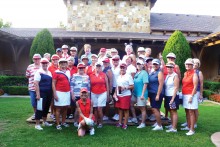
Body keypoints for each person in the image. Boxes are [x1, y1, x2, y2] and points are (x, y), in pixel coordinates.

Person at [34, 58, 53, 130]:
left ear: (48, 64)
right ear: (41, 64)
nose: (45, 64)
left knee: (46, 107)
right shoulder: (38, 72)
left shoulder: (49, 72)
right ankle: (37, 124)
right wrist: (38, 94)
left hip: (49, 93)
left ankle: (44, 122)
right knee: (39, 108)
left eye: (46, 63)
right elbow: (36, 83)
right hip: (41, 93)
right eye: (43, 63)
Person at [52, 58, 71, 130]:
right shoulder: (56, 72)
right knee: (58, 108)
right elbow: (53, 84)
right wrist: (55, 94)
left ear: (66, 64)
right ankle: (58, 124)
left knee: (65, 108)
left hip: (67, 92)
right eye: (61, 63)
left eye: (65, 63)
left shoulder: (68, 72)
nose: (63, 65)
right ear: (59, 65)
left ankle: (63, 122)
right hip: (59, 92)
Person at [181, 58, 198, 136]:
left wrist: (191, 96)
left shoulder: (194, 74)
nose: (187, 65)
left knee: (191, 112)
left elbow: (195, 86)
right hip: (185, 94)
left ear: (192, 65)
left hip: (191, 95)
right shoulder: (185, 73)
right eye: (186, 64)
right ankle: (188, 126)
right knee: (187, 111)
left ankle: (192, 129)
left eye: (189, 64)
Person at [114, 62, 134, 130]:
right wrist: (115, 93)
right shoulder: (119, 76)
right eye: (121, 67)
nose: (122, 69)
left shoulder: (128, 76)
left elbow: (132, 86)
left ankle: (125, 124)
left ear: (126, 68)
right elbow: (117, 86)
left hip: (126, 95)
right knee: (120, 109)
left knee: (125, 109)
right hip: (119, 95)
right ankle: (119, 122)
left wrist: (125, 88)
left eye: (123, 67)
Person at [162, 52, 181, 121]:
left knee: (173, 109)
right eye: (168, 57)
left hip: (172, 91)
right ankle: (168, 118)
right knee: (168, 106)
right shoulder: (165, 67)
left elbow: (178, 77)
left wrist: (173, 96)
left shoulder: (176, 68)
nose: (170, 59)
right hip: (167, 89)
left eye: (172, 58)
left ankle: (174, 125)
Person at [70, 62, 91, 127]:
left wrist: (88, 96)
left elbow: (89, 87)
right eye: (80, 68)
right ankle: (75, 121)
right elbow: (71, 86)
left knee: (83, 109)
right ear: (77, 69)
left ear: (84, 69)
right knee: (77, 109)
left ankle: (82, 121)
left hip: (85, 95)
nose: (81, 69)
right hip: (76, 95)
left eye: (82, 68)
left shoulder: (87, 76)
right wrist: (72, 95)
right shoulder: (74, 75)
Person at [89, 62, 109, 128]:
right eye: (97, 67)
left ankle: (101, 122)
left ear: (101, 67)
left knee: (99, 108)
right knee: (95, 108)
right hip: (93, 93)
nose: (98, 68)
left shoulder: (104, 74)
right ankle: (96, 121)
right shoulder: (91, 75)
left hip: (102, 93)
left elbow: (107, 85)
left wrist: (108, 94)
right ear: (95, 67)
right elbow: (90, 85)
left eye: (99, 67)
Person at [148, 59, 164, 131]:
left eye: (156, 64)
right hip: (152, 93)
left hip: (156, 93)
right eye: (154, 64)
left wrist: (158, 94)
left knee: (155, 109)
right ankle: (158, 122)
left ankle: (159, 125)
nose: (155, 65)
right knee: (155, 108)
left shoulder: (159, 72)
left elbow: (161, 84)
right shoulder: (152, 72)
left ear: (159, 65)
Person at [132, 60, 149, 128]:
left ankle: (143, 123)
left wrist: (142, 94)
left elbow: (145, 83)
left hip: (141, 94)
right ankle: (135, 118)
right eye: (137, 64)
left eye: (140, 64)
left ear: (143, 65)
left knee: (142, 108)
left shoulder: (144, 73)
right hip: (135, 93)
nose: (138, 65)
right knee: (130, 103)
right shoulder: (137, 73)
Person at [164, 62, 180, 133]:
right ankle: (172, 125)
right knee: (170, 111)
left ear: (173, 68)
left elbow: (176, 88)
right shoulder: (168, 75)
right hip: (167, 96)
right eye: (167, 67)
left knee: (174, 111)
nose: (169, 68)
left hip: (173, 96)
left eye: (170, 67)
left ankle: (174, 128)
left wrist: (173, 99)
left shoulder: (175, 76)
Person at [26, 53, 42, 120]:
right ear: (33, 59)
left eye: (38, 58)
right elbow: (27, 76)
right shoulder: (30, 66)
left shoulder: (43, 66)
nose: (36, 60)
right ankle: (35, 114)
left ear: (40, 59)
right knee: (33, 103)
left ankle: (40, 114)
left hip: (41, 88)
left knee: (40, 102)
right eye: (35, 59)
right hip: (32, 88)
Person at [111, 55, 121, 121]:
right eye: (114, 60)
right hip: (113, 86)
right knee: (114, 101)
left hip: (119, 86)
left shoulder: (120, 68)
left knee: (119, 101)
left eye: (117, 60)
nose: (115, 61)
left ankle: (119, 114)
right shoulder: (111, 68)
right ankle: (116, 113)